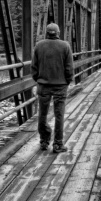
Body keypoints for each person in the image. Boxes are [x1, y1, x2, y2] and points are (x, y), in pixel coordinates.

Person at [31, 22, 74, 153]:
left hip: (43, 85)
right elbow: (69, 68)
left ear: (46, 33)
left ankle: (44, 141)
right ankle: (58, 144)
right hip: (60, 85)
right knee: (59, 114)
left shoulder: (39, 45)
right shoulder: (65, 46)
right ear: (58, 33)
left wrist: (38, 79)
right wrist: (67, 81)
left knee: (42, 114)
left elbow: (34, 67)